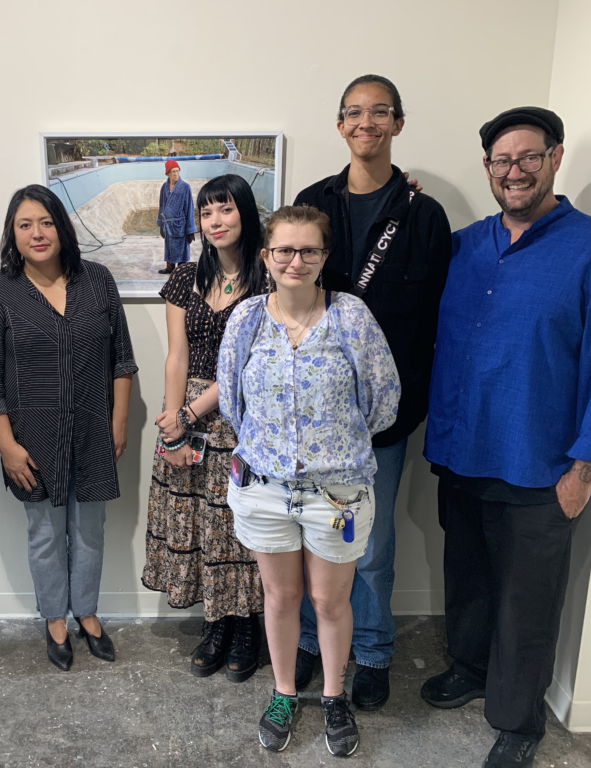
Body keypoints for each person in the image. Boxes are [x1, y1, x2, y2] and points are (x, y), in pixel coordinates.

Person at [422, 107, 591, 768]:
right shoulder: (463, 246)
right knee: (466, 577)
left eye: (528, 157)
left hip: (544, 465)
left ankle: (518, 718)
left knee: (527, 600)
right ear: (488, 168)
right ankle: (467, 667)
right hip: (463, 450)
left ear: (555, 158)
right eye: (501, 160)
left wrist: (588, 466)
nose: (513, 171)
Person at [292, 74, 453, 711]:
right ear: (339, 126)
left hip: (385, 418)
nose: (367, 123)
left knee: (371, 544)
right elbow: (283, 288)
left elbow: (441, 315)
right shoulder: (311, 201)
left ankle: (375, 652)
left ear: (398, 123)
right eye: (354, 113)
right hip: (314, 414)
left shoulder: (423, 214)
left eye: (379, 112)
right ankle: (309, 642)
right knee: (312, 538)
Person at [218, 205, 400, 756]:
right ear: (266, 256)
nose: (295, 261)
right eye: (284, 251)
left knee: (329, 601)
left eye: (309, 251)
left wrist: (329, 450)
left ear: (325, 257)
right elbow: (232, 402)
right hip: (265, 488)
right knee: (280, 597)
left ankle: (335, 696)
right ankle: (283, 692)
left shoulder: (351, 318)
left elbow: (383, 402)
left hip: (337, 492)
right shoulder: (247, 319)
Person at [0, 184, 137, 672]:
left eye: (45, 222)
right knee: (44, 532)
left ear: (61, 227)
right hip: (31, 436)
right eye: (25, 225)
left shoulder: (98, 281)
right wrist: (6, 446)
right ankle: (54, 620)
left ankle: (86, 611)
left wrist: (118, 423)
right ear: (13, 234)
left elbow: (122, 362)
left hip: (93, 431)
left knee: (90, 529)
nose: (37, 233)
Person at [142, 174, 266, 683]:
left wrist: (193, 415)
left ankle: (247, 628)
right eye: (207, 213)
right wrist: (174, 423)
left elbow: (246, 365)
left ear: (247, 214)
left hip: (244, 414)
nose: (216, 222)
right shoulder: (185, 280)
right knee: (197, 522)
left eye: (227, 210)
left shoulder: (269, 277)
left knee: (241, 526)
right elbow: (176, 355)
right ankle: (215, 624)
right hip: (188, 412)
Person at [157, 159, 197, 275]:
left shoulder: (185, 187)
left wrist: (190, 230)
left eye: (177, 171)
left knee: (181, 248)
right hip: (168, 224)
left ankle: (181, 269)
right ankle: (170, 268)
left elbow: (189, 208)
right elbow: (161, 205)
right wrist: (161, 224)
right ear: (168, 173)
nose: (176, 174)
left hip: (180, 224)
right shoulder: (164, 187)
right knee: (169, 247)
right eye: (173, 171)